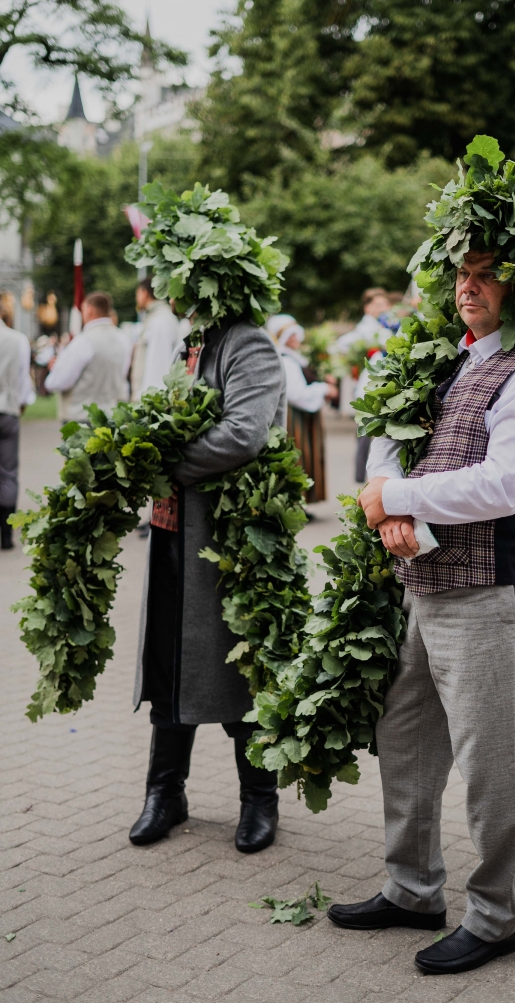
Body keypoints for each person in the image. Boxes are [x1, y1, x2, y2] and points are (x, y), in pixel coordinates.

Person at [328, 249, 515, 974]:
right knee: (404, 736)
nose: (468, 286)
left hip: (492, 590)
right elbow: (388, 438)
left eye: (487, 273)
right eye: (462, 274)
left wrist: (400, 498)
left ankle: (496, 918)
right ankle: (411, 890)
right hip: (425, 583)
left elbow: (504, 483)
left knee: (487, 760)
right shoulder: (450, 357)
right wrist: (389, 504)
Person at [129, 305, 286, 855]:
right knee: (168, 660)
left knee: (240, 666)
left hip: (232, 541)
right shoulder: (190, 342)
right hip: (175, 531)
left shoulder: (248, 343)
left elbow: (243, 434)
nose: (171, 294)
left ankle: (259, 798)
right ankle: (165, 793)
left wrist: (161, 463)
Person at [267, 314, 338, 503]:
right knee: (298, 457)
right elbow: (296, 394)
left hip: (301, 415)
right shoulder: (286, 360)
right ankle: (295, 500)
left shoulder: (295, 358)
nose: (295, 338)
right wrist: (324, 389)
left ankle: (301, 500)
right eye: (290, 335)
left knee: (304, 457)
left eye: (295, 334)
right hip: (294, 417)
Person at [336, 288, 394, 482]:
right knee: (367, 431)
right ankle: (363, 478)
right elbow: (342, 344)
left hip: (380, 382)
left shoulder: (385, 324)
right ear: (367, 308)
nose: (382, 308)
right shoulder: (368, 328)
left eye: (385, 304)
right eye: (378, 305)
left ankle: (366, 477)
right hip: (369, 382)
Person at [45, 292, 131, 421]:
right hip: (110, 417)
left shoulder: (84, 340)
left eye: (83, 309)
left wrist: (57, 367)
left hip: (82, 417)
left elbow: (57, 382)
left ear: (89, 309)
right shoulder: (123, 340)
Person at [0, 304, 35, 549]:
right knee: (8, 471)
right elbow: (24, 376)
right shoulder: (18, 340)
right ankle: (6, 535)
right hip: (8, 408)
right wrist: (21, 402)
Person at [130, 278, 181, 402]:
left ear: (144, 293)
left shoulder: (160, 321)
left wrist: (146, 400)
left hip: (152, 398)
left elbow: (158, 369)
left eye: (137, 293)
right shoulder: (158, 317)